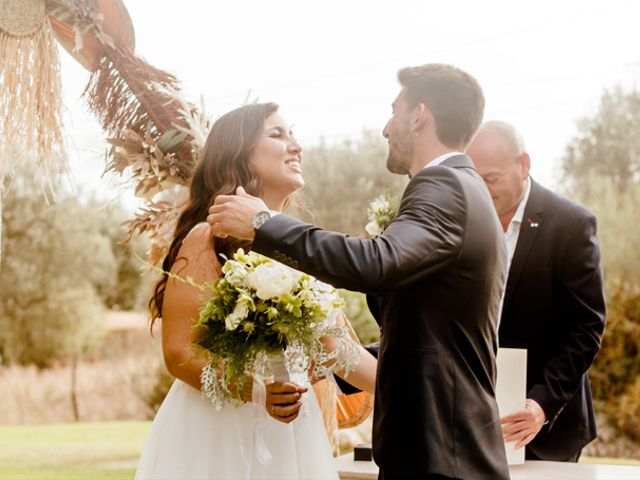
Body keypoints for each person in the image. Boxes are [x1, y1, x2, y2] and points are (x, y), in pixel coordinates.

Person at [208, 64, 511, 480]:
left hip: (441, 451)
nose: (387, 129)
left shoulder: (443, 187)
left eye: (395, 111)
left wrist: (264, 224)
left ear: (419, 115)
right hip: (444, 444)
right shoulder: (465, 187)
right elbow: (428, 331)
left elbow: (376, 263)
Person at [135, 102, 376, 480]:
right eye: (277, 135)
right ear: (238, 153)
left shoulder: (301, 250)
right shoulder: (207, 238)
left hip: (293, 434)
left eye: (293, 135)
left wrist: (437, 396)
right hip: (218, 433)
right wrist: (256, 391)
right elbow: (179, 353)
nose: (296, 146)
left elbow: (341, 353)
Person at [465, 120, 606, 462]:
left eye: (492, 178)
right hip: (471, 419)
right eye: (474, 179)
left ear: (524, 165)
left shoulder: (571, 225)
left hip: (545, 425)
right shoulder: (463, 222)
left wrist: (542, 405)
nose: (482, 189)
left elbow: (584, 330)